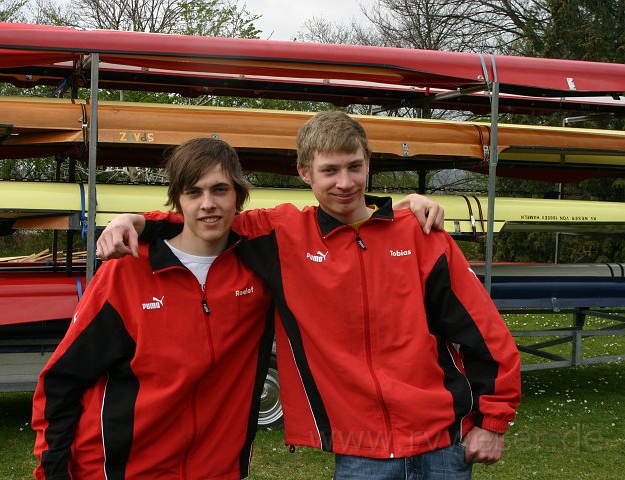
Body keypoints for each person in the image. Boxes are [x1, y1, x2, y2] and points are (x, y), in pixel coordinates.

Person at [98, 111, 521, 479]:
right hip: (361, 453)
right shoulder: (282, 235)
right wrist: (134, 221)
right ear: (304, 173)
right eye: (330, 171)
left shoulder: (420, 234)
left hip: (444, 444)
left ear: (369, 163)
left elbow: (484, 332)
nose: (345, 183)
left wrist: (493, 422)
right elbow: (206, 214)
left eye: (354, 167)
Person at [32, 138, 276, 479]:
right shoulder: (127, 272)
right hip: (122, 469)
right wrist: (55, 471)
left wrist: (140, 221)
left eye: (220, 190)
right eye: (193, 192)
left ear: (238, 195)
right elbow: (63, 379)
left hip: (215, 470)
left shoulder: (258, 267)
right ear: (178, 199)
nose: (208, 203)